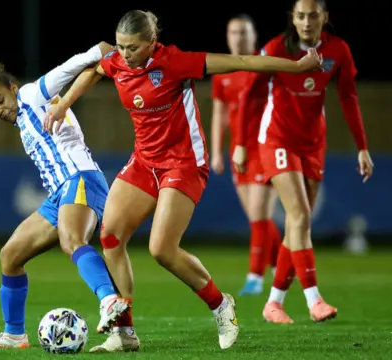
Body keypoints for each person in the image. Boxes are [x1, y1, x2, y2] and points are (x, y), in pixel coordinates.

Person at [45, 10, 323, 352]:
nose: (124, 54)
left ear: (151, 43)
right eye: (120, 46)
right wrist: (63, 105)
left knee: (161, 249)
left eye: (132, 47)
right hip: (144, 161)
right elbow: (94, 70)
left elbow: (242, 60)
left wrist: (296, 67)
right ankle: (125, 333)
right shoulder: (117, 61)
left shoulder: (175, 62)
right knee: (111, 237)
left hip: (184, 162)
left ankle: (221, 306)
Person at [0, 42, 132, 349]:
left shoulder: (33, 94)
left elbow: (79, 61)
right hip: (60, 193)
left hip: (81, 178)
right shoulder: (22, 122)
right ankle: (14, 334)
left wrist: (109, 52)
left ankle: (109, 301)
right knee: (10, 256)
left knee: (71, 241)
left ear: (13, 88)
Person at [233, 0, 374, 324]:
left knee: (298, 225)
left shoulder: (338, 50)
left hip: (313, 142)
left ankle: (273, 304)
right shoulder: (276, 48)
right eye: (300, 16)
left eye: (313, 15)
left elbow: (348, 96)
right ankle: (314, 300)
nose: (307, 21)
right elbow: (250, 94)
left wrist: (362, 148)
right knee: (299, 215)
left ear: (324, 17)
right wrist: (240, 143)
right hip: (277, 138)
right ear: (292, 20)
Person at [210, 14, 283, 297]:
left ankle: (255, 277)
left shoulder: (264, 66)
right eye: (233, 32)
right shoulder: (223, 71)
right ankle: (281, 268)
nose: (238, 37)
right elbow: (220, 114)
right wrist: (216, 151)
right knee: (257, 217)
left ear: (254, 36)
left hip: (266, 147)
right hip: (237, 152)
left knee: (259, 217)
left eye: (243, 32)